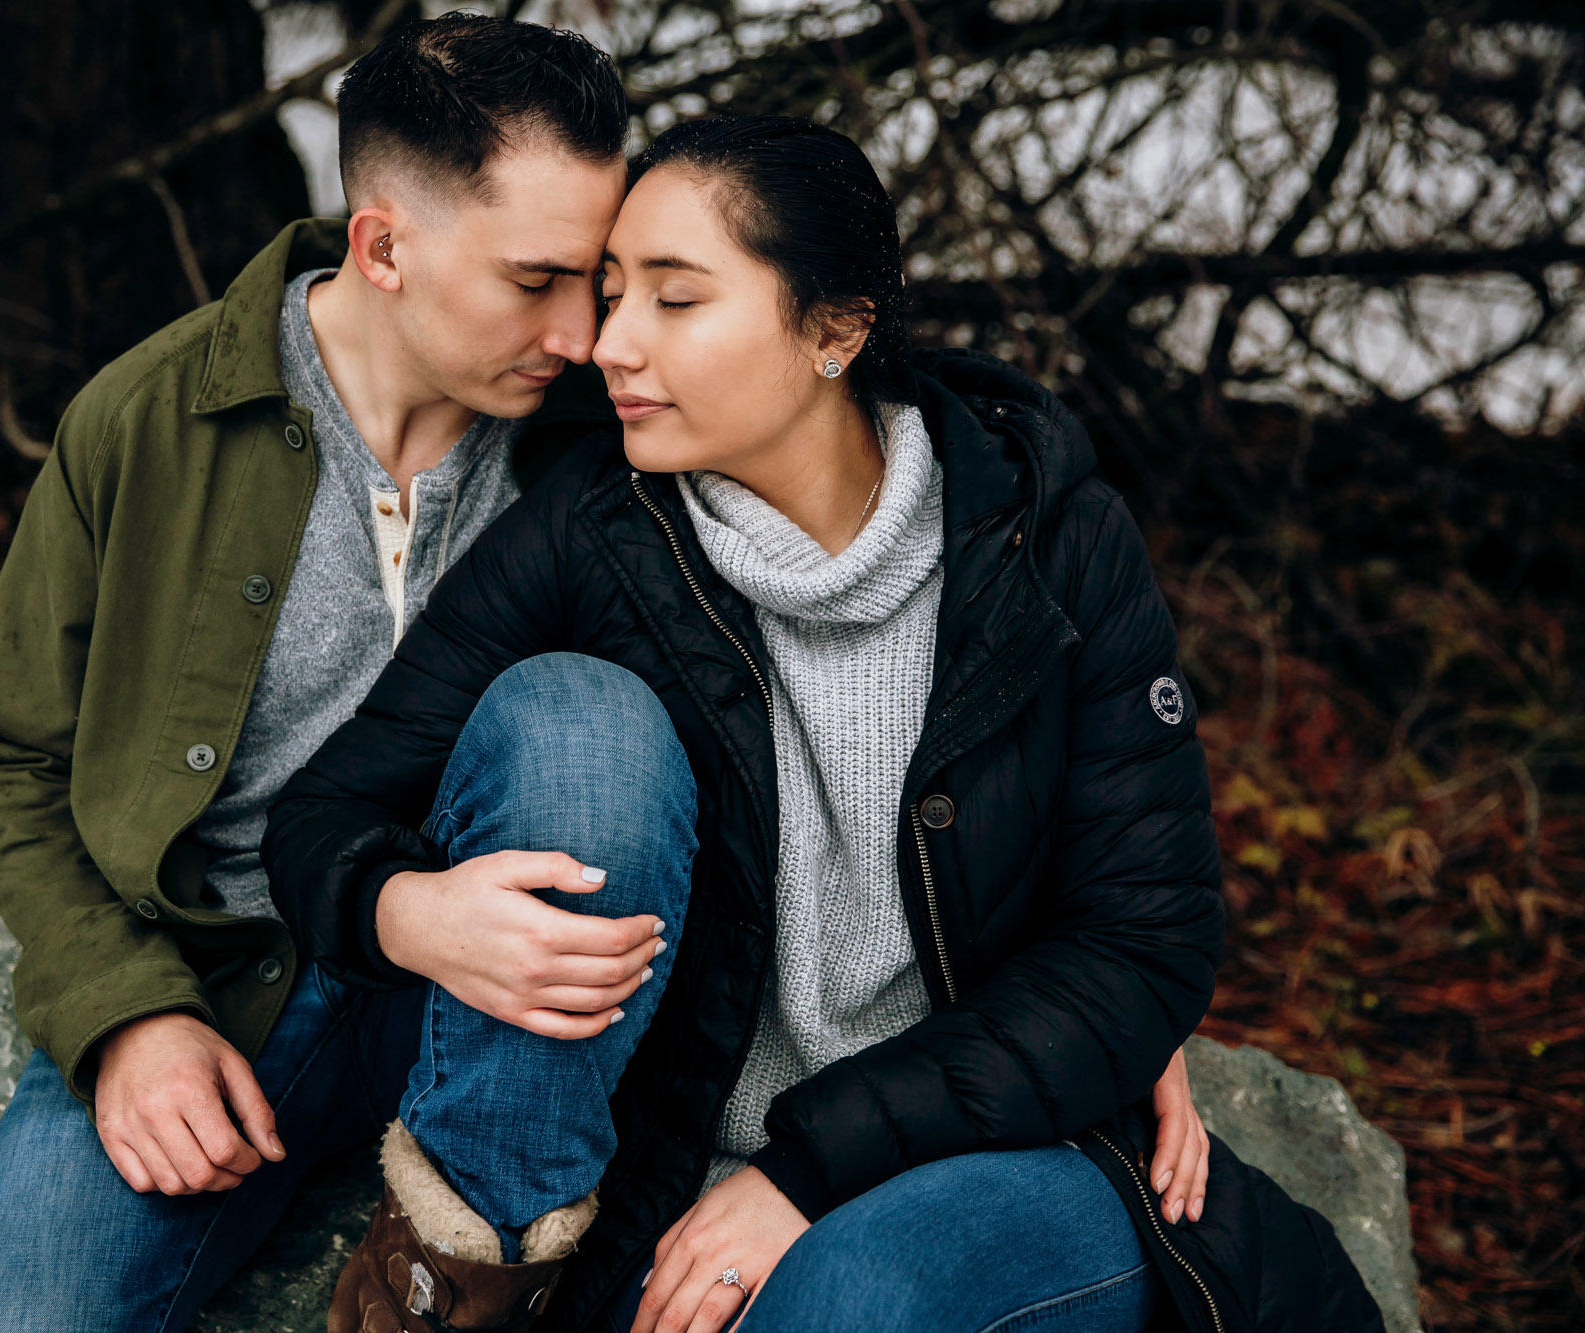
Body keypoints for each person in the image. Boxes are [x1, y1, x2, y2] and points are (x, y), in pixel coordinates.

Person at [0, 13, 1208, 1326]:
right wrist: (123, 1013)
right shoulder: (156, 423)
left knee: (579, 725)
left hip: (542, 1008)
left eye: (605, 280)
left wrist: (1096, 1005)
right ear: (383, 248)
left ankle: (474, 1280)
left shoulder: (631, 423)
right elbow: (20, 760)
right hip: (232, 978)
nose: (588, 332)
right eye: (543, 280)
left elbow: (843, 404)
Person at [261, 116, 1381, 1332]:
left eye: (675, 301)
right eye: (612, 290)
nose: (608, 343)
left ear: (835, 329)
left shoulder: (1042, 539)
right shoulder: (596, 529)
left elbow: (1141, 940)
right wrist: (406, 909)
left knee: (853, 1293)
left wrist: (801, 1172)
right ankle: (465, 1288)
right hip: (674, 1184)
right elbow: (325, 816)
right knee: (570, 717)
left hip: (989, 1155)